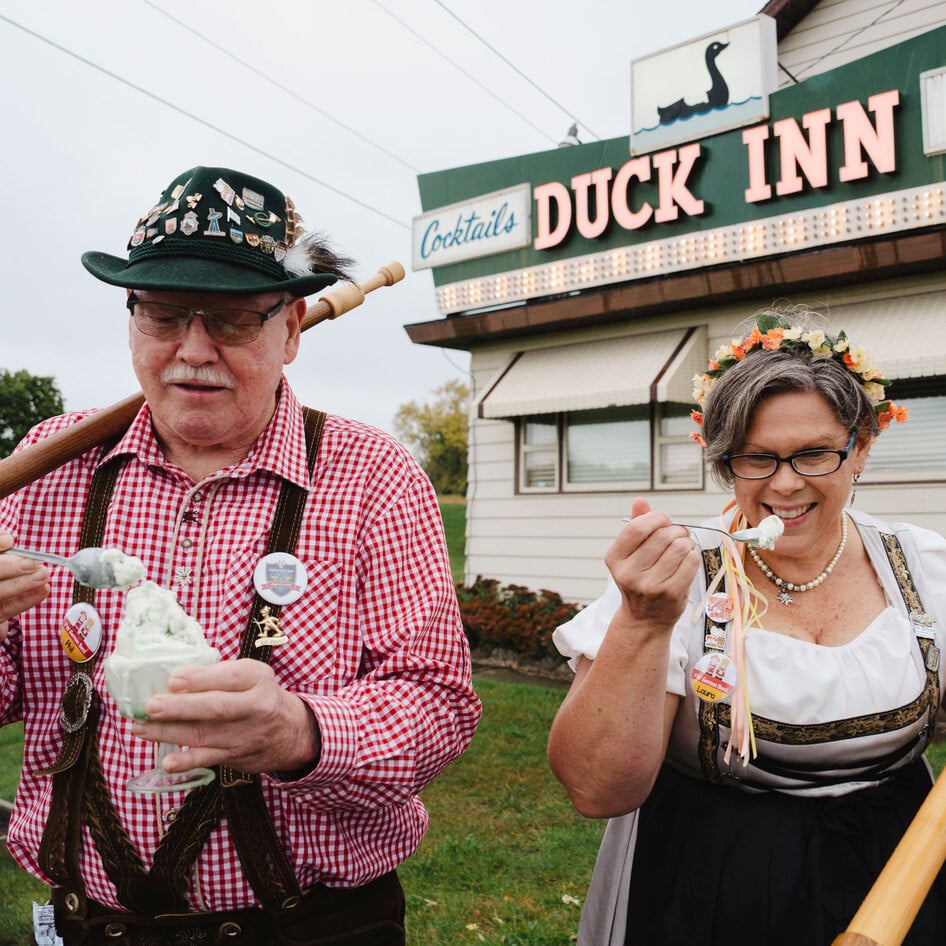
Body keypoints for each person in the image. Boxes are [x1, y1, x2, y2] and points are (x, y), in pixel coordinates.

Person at [0, 165, 481, 945]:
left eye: (228, 321)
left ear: (290, 329)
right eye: (162, 315)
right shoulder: (47, 465)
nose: (191, 349)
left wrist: (300, 731)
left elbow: (438, 707)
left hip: (310, 927)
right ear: (131, 319)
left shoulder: (373, 479)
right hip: (90, 927)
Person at [547, 307, 946, 946]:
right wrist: (644, 623)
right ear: (723, 460)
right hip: (711, 881)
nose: (785, 486)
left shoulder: (923, 567)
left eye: (813, 454)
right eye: (755, 459)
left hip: (898, 877)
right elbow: (596, 789)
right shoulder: (676, 579)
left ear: (861, 447)